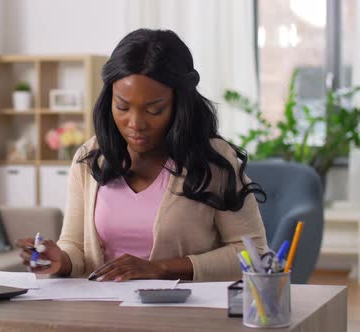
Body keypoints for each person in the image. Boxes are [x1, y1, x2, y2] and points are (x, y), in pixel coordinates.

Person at [16, 29, 268, 282]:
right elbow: (76, 246)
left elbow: (252, 254)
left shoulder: (212, 161)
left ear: (180, 105)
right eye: (122, 107)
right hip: (104, 313)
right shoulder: (90, 158)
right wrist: (62, 260)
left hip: (184, 315)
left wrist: (161, 268)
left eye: (154, 110)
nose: (136, 124)